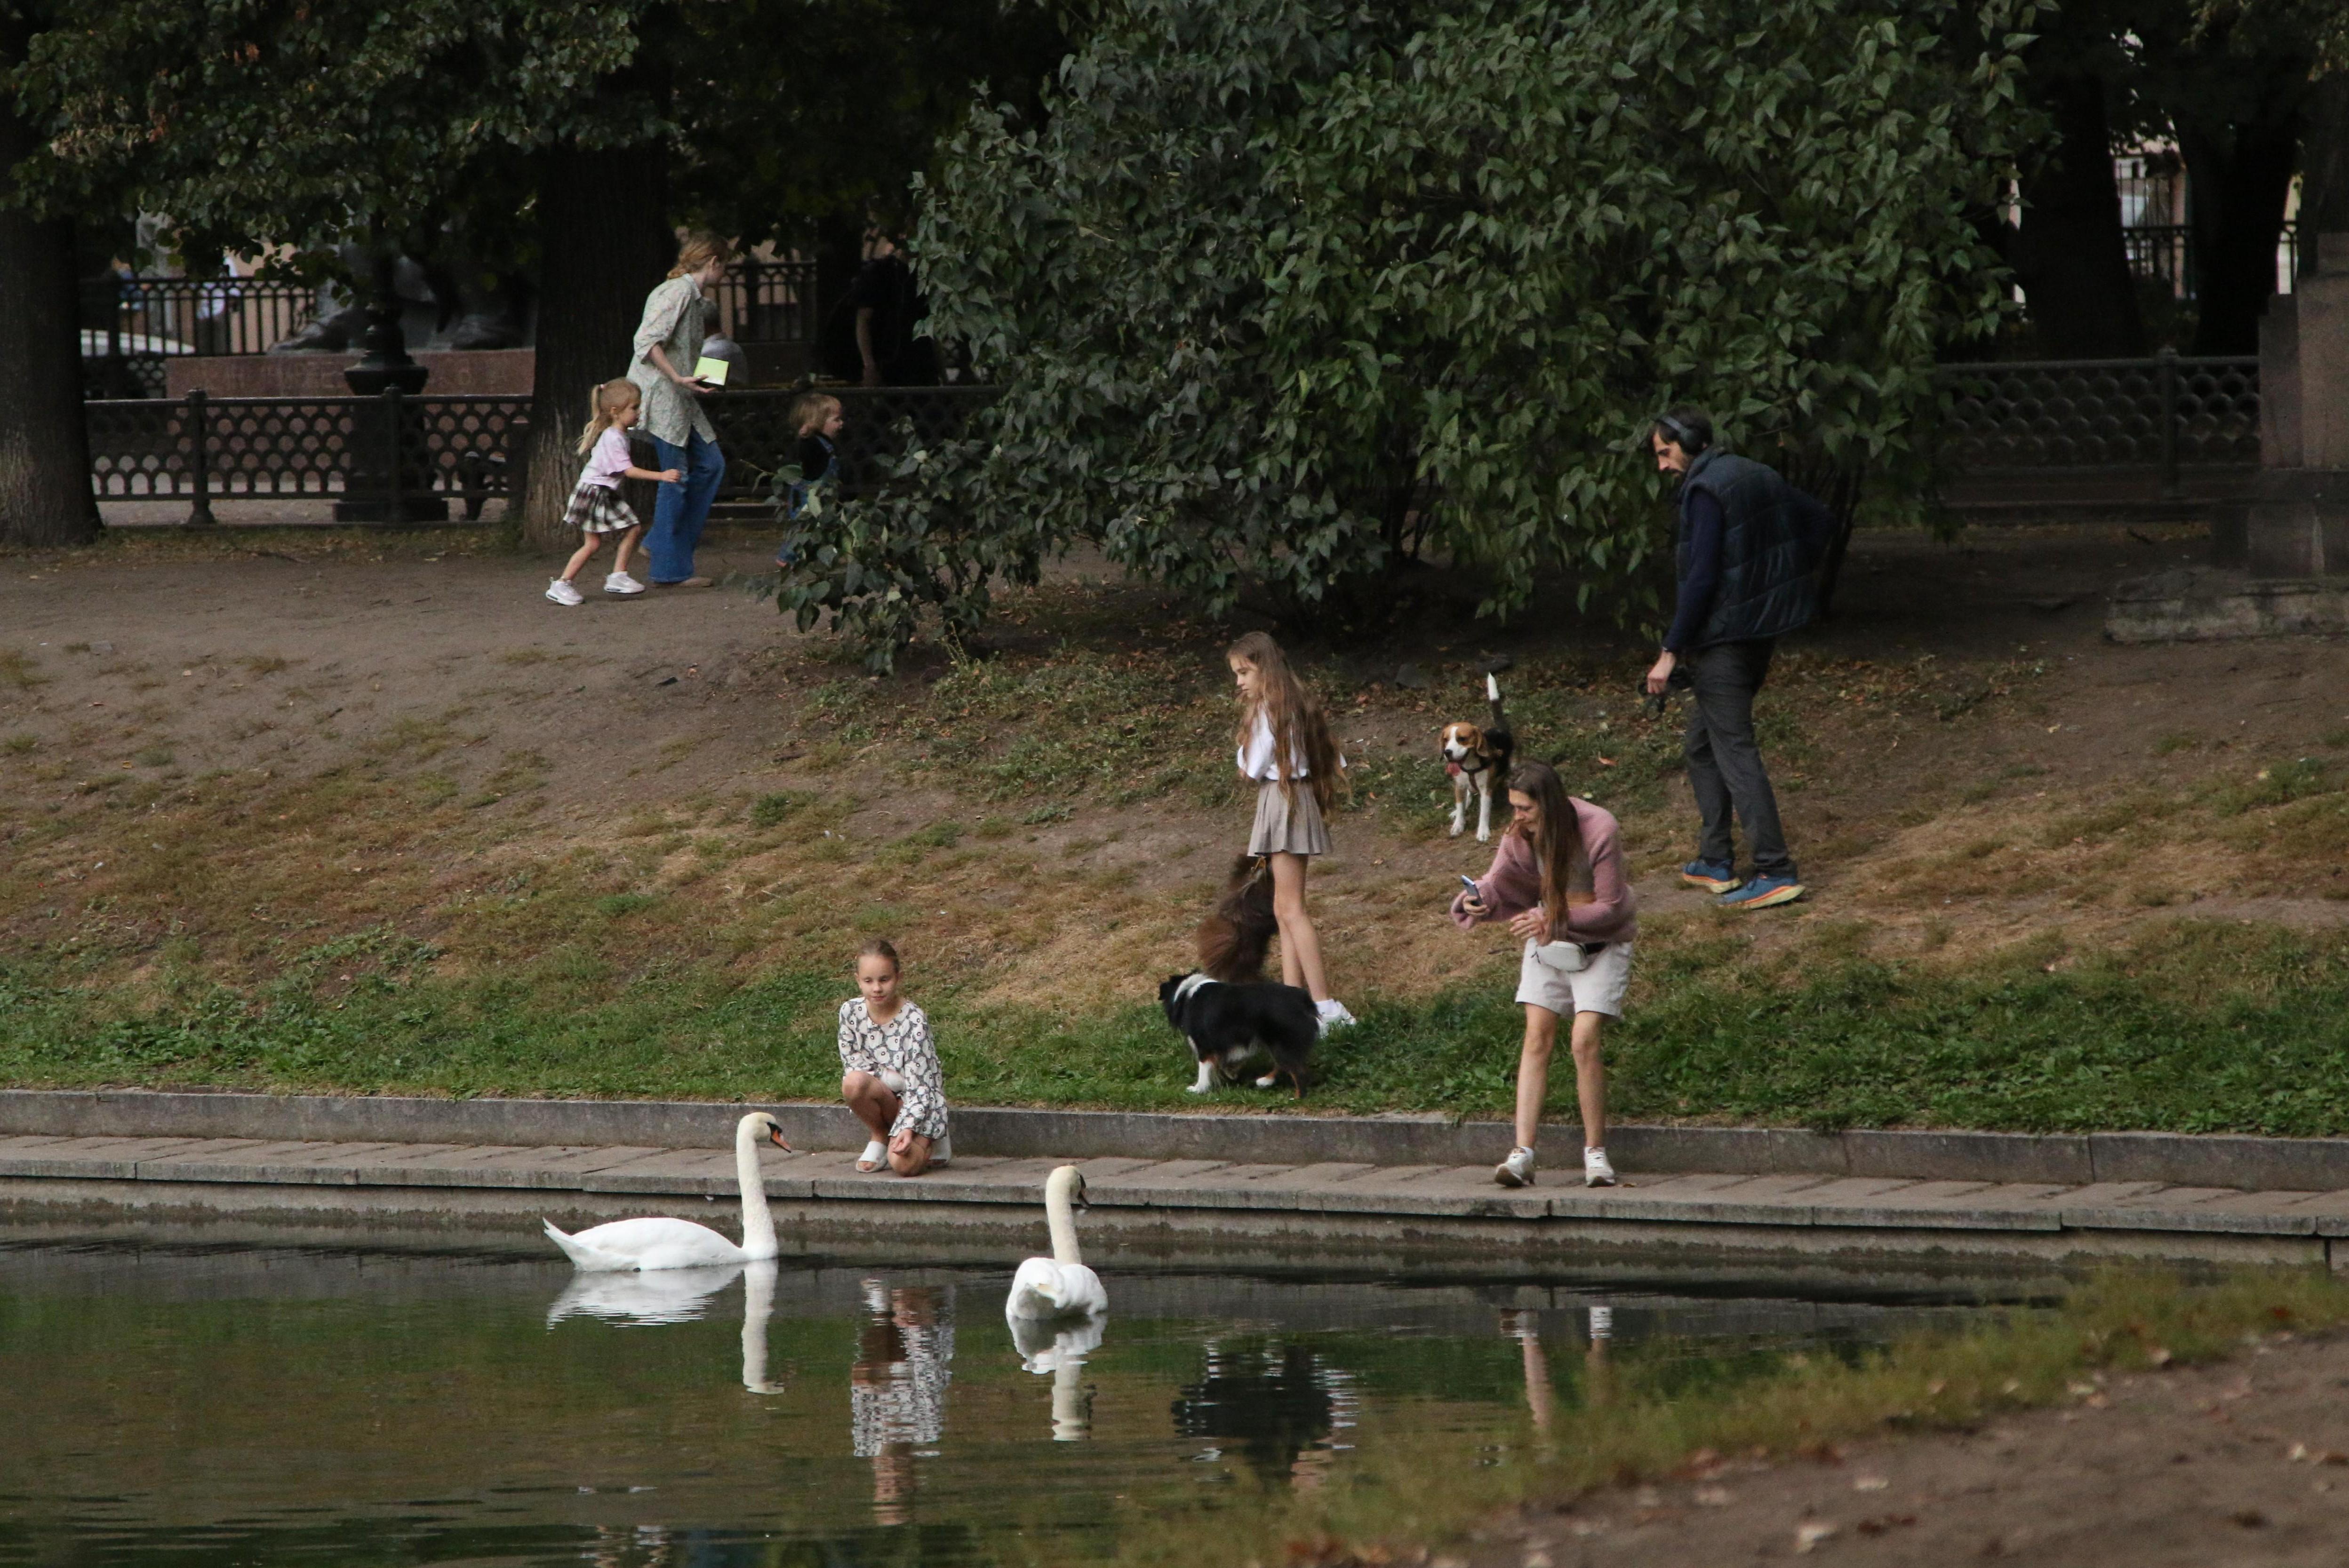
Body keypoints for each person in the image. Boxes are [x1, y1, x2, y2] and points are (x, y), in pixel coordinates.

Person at [1643, 407, 1830, 912]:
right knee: (1702, 746)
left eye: (1665, 452)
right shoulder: (1756, 473)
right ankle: (1715, 859)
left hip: (1723, 643)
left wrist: (1669, 652)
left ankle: (1774, 869)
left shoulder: (1706, 490)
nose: (1662, 465)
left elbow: (1701, 577)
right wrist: (1777, 584)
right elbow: (1819, 520)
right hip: (1757, 635)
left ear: (1688, 442)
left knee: (1734, 750)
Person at [1451, 760, 1637, 1189]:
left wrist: (1551, 917)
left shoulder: (1599, 827)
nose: (1517, 817)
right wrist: (1477, 899)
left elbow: (1610, 907)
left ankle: (1595, 1153)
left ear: (1549, 804)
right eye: (1513, 807)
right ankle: (1523, 1153)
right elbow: (1499, 879)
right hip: (1548, 936)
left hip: (1601, 942)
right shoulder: (1520, 834)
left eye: (1525, 808)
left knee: (1584, 1039)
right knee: (1536, 1036)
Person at [1227, 631, 1355, 1033]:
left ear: (1265, 668)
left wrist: (1243, 748)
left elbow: (1250, 769)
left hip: (1283, 800)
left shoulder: (1269, 710)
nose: (1239, 682)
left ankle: (1327, 1007)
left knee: (1293, 910)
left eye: (1244, 672)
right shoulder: (1293, 703)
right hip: (1287, 798)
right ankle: (1292, 1000)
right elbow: (1335, 758)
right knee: (1284, 909)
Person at [628, 232, 734, 588]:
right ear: (714, 262)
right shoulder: (678, 292)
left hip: (680, 396)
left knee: (711, 465)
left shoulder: (692, 297)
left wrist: (698, 377)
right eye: (725, 265)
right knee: (676, 476)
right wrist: (677, 377)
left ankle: (661, 543)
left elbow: (679, 348)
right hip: (664, 397)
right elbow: (647, 341)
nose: (725, 274)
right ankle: (670, 568)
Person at [544, 380, 679, 606]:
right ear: (616, 412)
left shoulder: (617, 434)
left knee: (605, 539)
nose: (639, 412)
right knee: (620, 533)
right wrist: (662, 476)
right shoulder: (614, 438)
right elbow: (629, 471)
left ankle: (598, 578)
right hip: (595, 492)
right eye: (634, 408)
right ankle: (583, 581)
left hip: (598, 491)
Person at [838, 938, 951, 1176]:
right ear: (858, 980)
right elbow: (853, 1063)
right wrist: (893, 1089)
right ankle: (880, 1135)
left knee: (903, 1165)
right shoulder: (850, 1012)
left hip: (919, 1101)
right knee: (854, 1083)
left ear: (898, 977)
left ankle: (931, 1137)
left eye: (884, 980)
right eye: (868, 981)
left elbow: (922, 1085)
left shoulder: (914, 1021)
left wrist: (908, 1126)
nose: (877, 989)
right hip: (887, 1096)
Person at [776, 392, 844, 567]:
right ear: (817, 423)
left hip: (823, 494)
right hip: (807, 495)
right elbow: (802, 455)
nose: (841, 424)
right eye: (836, 420)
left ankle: (822, 555)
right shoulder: (811, 443)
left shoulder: (825, 443)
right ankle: (787, 557)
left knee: (824, 524)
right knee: (802, 526)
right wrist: (805, 435)